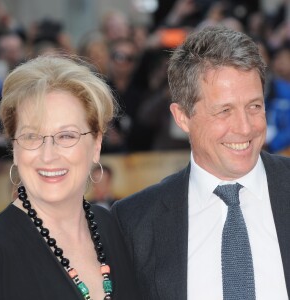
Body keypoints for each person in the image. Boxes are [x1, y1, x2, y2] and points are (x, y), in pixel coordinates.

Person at [111, 26, 290, 299]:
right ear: (182, 117)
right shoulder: (135, 222)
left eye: (254, 106)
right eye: (224, 110)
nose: (245, 128)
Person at [0, 55, 140, 300]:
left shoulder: (114, 229)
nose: (48, 155)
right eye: (31, 136)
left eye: (67, 136)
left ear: (96, 145)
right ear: (14, 149)